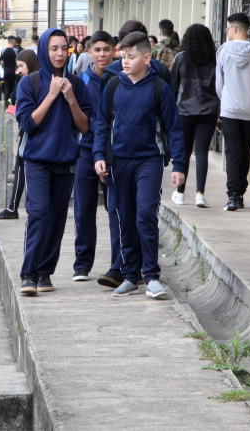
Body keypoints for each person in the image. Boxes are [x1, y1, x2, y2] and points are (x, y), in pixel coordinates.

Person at [94, 31, 186, 299]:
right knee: (125, 218)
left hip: (149, 160)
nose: (124, 61)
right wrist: (99, 155)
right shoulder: (112, 86)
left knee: (145, 214)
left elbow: (174, 129)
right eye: (122, 56)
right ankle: (130, 275)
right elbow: (102, 124)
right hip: (119, 162)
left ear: (147, 58)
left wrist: (179, 165)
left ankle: (152, 276)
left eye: (131, 56)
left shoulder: (160, 88)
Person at [14, 28, 91, 296]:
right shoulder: (29, 83)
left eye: (64, 48)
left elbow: (85, 126)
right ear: (44, 50)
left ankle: (45, 272)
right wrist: (50, 95)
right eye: (53, 48)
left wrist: (70, 98)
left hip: (66, 162)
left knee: (57, 218)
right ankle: (28, 273)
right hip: (36, 161)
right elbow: (27, 123)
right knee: (38, 213)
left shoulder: (78, 84)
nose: (59, 54)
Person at [70, 31, 123, 283]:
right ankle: (82, 264)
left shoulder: (122, 79)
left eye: (107, 50)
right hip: (85, 152)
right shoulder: (80, 82)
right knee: (83, 210)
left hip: (115, 155)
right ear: (89, 52)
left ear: (115, 51)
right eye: (97, 50)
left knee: (115, 209)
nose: (102, 55)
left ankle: (118, 265)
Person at [216, 13, 250, 212]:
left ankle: (233, 195)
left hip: (229, 108)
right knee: (245, 151)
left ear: (235, 29)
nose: (227, 31)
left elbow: (219, 84)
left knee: (232, 151)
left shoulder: (223, 51)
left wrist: (226, 99)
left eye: (228, 28)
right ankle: (240, 191)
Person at [169, 24, 219, 208]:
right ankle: (200, 194)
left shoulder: (181, 58)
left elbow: (173, 85)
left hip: (184, 111)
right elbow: (220, 86)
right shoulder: (215, 58)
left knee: (184, 152)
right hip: (209, 111)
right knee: (201, 153)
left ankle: (180, 193)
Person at [0, 49, 41, 220]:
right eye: (17, 66)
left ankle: (14, 207)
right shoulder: (28, 80)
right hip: (28, 129)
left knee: (21, 166)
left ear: (31, 63)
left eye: (21, 66)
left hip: (31, 130)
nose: (19, 70)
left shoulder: (33, 82)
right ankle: (13, 207)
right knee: (19, 166)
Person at [0, 35, 19, 104]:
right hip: (13, 72)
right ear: (13, 42)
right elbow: (17, 62)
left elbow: (2, 63)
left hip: (6, 72)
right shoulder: (16, 51)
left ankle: (6, 103)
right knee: (14, 87)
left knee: (6, 88)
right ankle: (12, 101)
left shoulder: (3, 50)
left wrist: (5, 68)